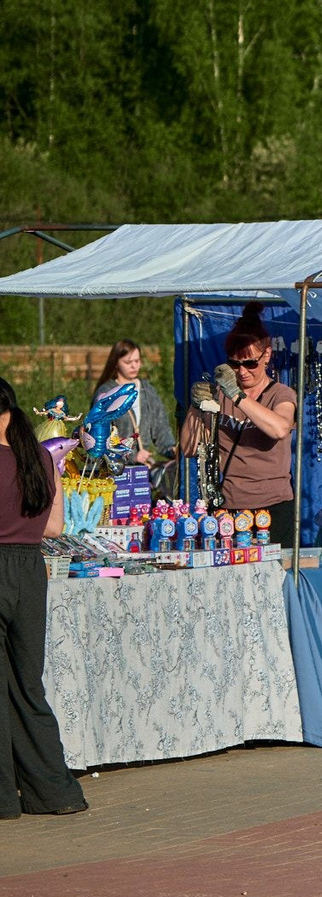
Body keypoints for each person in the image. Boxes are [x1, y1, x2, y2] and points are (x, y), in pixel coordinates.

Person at [0, 375, 83, 819]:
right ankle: (55, 791)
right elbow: (55, 528)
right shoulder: (40, 458)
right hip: (32, 570)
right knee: (29, 685)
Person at [201, 309, 302, 537]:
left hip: (273, 507)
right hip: (229, 505)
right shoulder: (220, 394)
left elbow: (279, 428)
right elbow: (189, 447)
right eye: (235, 365)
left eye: (250, 363)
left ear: (267, 355)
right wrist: (195, 406)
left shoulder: (282, 394)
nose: (243, 372)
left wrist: (238, 396)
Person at [87, 340, 175, 468]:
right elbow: (98, 437)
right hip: (111, 470)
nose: (134, 366)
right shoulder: (106, 393)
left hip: (141, 469)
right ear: (116, 363)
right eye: (128, 362)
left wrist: (172, 450)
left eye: (137, 361)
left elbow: (161, 430)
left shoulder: (147, 390)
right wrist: (132, 456)